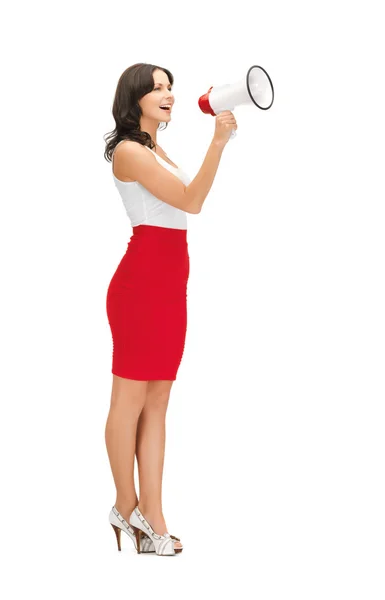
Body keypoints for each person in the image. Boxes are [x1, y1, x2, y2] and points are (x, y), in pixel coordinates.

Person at [103, 63, 237, 556]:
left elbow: (180, 208)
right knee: (129, 400)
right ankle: (125, 503)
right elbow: (190, 200)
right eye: (156, 88)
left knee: (157, 401)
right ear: (134, 97)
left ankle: (153, 515)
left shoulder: (155, 147)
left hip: (168, 287)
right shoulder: (131, 151)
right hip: (140, 287)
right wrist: (218, 144)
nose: (168, 94)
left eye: (169, 87)